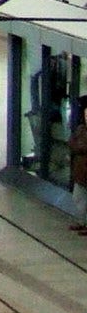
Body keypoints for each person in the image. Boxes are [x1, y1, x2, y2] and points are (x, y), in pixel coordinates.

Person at [67, 96, 87, 235]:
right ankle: (82, 221)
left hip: (84, 169)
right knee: (78, 197)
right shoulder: (81, 128)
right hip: (81, 169)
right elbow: (72, 142)